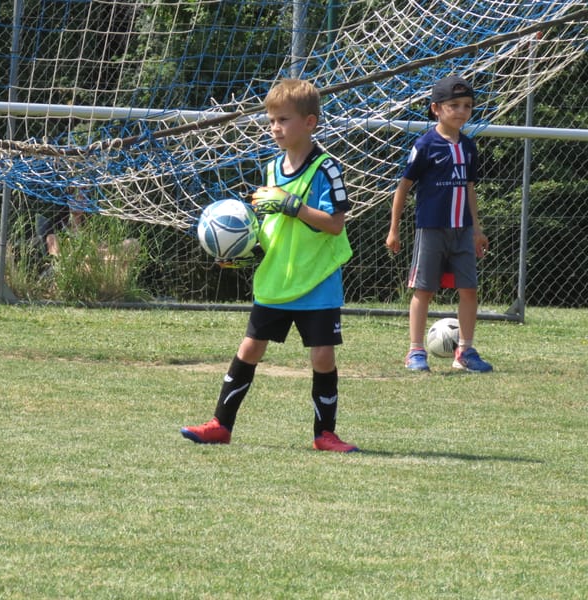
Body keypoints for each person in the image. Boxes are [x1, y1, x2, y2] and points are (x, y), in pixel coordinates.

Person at [180, 78, 359, 453]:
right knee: (249, 349)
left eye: (283, 120)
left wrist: (290, 204)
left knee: (322, 356)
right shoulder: (273, 168)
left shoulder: (327, 170)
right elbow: (272, 228)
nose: (275, 127)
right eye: (271, 120)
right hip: (278, 278)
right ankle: (220, 424)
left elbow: (334, 223)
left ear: (309, 123)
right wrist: (245, 250)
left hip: (318, 280)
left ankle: (324, 434)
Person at [385, 75, 493, 373]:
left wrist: (477, 229)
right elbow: (404, 187)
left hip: (464, 231)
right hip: (431, 229)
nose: (461, 111)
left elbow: (470, 188)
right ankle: (415, 351)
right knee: (424, 290)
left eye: (467, 106)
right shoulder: (425, 144)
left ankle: (465, 352)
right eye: (454, 105)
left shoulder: (469, 147)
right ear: (436, 109)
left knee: (469, 289)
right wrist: (394, 229)